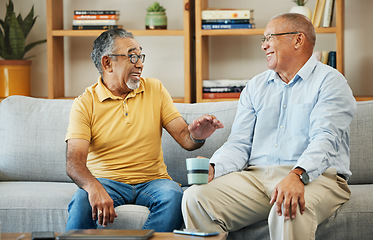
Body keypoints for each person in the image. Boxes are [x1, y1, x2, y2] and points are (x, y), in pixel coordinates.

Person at [181, 13, 356, 240]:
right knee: (195, 197)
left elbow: (326, 138)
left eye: (270, 37)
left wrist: (297, 175)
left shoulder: (331, 82)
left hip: (317, 177)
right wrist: (215, 167)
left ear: (298, 40)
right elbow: (239, 143)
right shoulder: (255, 86)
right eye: (262, 40)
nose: (263, 46)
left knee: (288, 209)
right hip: (257, 177)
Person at [65, 29, 224, 232]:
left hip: (153, 181)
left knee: (174, 196)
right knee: (81, 202)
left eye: (140, 56)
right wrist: (93, 188)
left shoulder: (155, 89)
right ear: (107, 63)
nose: (139, 63)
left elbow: (186, 138)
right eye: (132, 56)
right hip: (106, 181)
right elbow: (74, 162)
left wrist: (197, 135)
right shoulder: (85, 103)